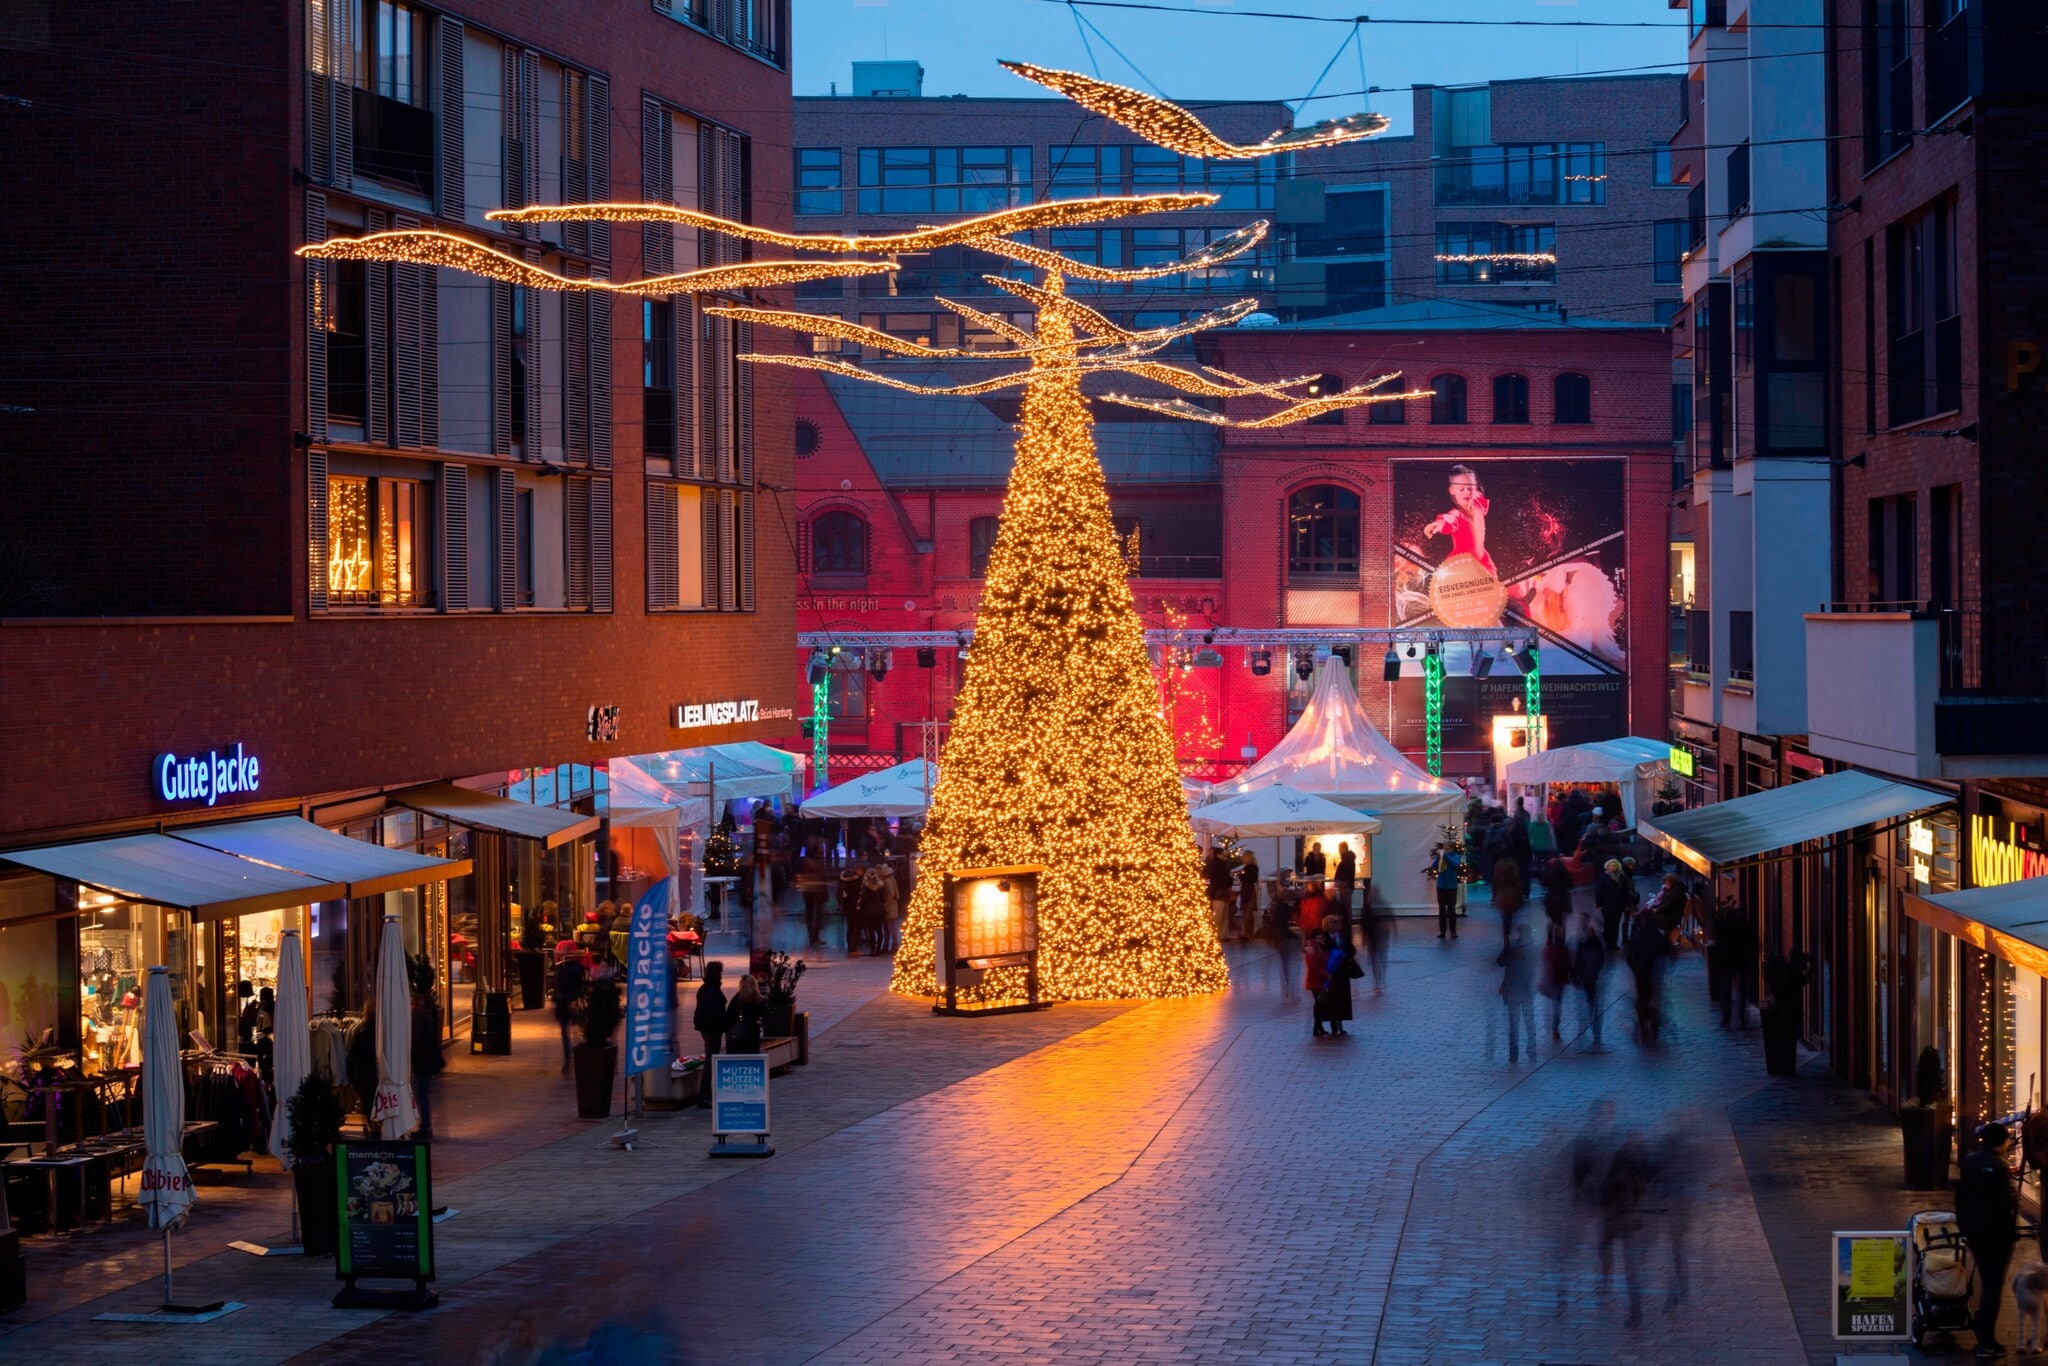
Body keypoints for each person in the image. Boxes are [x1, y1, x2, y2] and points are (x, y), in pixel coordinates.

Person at [1957, 1122, 2020, 1360]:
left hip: (1974, 1231)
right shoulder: (2000, 1167)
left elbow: (1960, 1196)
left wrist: (1964, 1225)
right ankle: (1986, 1341)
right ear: (2000, 1142)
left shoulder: (1970, 1161)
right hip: (1996, 1235)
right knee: (1993, 1287)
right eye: (2006, 1140)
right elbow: (2005, 1206)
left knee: (1987, 1281)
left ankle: (1982, 1329)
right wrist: (2010, 1234)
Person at [1423, 464, 1497, 576]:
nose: (1467, 492)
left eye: (1470, 488)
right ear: (1452, 490)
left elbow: (1478, 493)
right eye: (1461, 489)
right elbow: (1448, 519)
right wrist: (1439, 524)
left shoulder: (1477, 503)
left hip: (1482, 560)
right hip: (1462, 566)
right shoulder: (1457, 515)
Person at [1497, 925, 1537, 1063]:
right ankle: (1529, 1051)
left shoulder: (1524, 948)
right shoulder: (1528, 947)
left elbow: (1500, 962)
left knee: (1516, 1024)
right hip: (1522, 991)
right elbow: (1501, 962)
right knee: (1526, 1023)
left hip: (1517, 990)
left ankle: (1515, 1053)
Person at [409, 984, 443, 1140]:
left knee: (421, 1095)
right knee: (422, 1094)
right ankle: (425, 1125)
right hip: (426, 1062)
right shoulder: (428, 1016)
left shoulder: (417, 1018)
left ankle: (425, 1126)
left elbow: (418, 1042)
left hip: (420, 1063)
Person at [1570, 914, 1607, 1051]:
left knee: (1590, 1005)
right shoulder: (1590, 942)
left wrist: (1577, 973)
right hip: (1589, 978)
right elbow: (1600, 959)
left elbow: (1579, 960)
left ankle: (1590, 1030)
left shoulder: (1588, 942)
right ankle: (1593, 1032)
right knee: (1592, 1005)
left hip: (1589, 978)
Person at [1320, 915, 1362, 1037]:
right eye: (1333, 924)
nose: (1336, 927)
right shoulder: (1324, 937)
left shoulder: (1343, 936)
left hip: (1342, 971)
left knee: (1342, 998)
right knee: (1331, 998)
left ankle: (1340, 1025)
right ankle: (1333, 1026)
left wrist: (1345, 954)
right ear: (1327, 926)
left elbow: (1352, 950)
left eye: (1337, 924)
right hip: (1330, 971)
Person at [691, 962, 726, 1109]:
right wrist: (723, 1024)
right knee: (710, 1061)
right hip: (711, 1029)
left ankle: (706, 1093)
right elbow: (713, 1012)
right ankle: (704, 1095)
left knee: (710, 1060)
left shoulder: (706, 988)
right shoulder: (712, 990)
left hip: (707, 1028)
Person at [552, 940, 587, 1074]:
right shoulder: (574, 968)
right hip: (567, 1002)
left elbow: (559, 986)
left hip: (565, 1002)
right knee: (572, 1033)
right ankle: (572, 1059)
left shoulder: (563, 968)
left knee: (567, 1033)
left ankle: (570, 1060)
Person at [1538, 917, 1571, 1042]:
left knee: (1554, 1005)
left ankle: (1553, 1029)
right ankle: (1554, 1029)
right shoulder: (1561, 949)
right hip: (1557, 979)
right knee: (1556, 1005)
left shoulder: (1549, 949)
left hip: (1554, 979)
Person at [725, 972, 766, 1054]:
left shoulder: (738, 998)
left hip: (739, 1034)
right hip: (753, 1033)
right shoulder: (760, 1000)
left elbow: (729, 1015)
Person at [1596, 859, 1632, 951]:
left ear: (1617, 867)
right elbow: (1598, 892)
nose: (1612, 867)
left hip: (1618, 905)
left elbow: (1625, 891)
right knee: (1608, 925)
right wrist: (1599, 904)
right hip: (1606, 905)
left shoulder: (1621, 877)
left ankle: (1614, 943)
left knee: (1615, 924)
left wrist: (1626, 903)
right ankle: (1608, 943)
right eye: (1610, 866)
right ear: (1607, 867)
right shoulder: (1603, 877)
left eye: (1614, 865)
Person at [1430, 843, 1464, 940]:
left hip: (1451, 887)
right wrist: (1439, 857)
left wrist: (1446, 856)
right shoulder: (1441, 857)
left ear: (1452, 849)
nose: (1445, 850)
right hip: (1441, 887)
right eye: (1444, 849)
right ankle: (1442, 932)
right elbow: (1434, 866)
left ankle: (1453, 931)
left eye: (1447, 849)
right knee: (1441, 910)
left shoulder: (1456, 856)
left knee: (1451, 910)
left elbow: (1456, 865)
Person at [1492, 850, 1525, 946]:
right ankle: (1513, 931)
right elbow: (1517, 880)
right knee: (1513, 914)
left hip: (1502, 893)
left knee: (1505, 915)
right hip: (1513, 892)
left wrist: (1494, 895)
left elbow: (1495, 881)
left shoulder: (1498, 866)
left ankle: (1506, 934)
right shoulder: (1513, 866)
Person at [1303, 929, 1333, 1037]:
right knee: (1319, 1004)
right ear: (1314, 939)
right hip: (1315, 981)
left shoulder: (1319, 948)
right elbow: (1313, 966)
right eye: (1320, 938)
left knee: (1320, 1004)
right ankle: (1317, 1027)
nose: (1322, 940)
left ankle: (1319, 1027)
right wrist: (1326, 974)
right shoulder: (1313, 949)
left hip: (1320, 980)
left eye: (1323, 938)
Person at [1204, 848, 1236, 940]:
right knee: (1220, 914)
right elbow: (1223, 879)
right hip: (1219, 892)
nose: (1224, 855)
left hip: (1217, 892)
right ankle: (1219, 934)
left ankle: (1220, 934)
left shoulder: (1215, 864)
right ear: (1219, 854)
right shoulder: (1219, 865)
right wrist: (1229, 882)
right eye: (1223, 854)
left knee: (1221, 914)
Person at [1235, 849, 1261, 940]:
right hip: (1247, 889)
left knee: (1247, 912)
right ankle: (1249, 932)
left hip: (1248, 889)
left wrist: (1240, 875)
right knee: (1247, 912)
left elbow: (1250, 878)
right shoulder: (1250, 867)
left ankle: (1247, 932)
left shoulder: (1251, 867)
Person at [1333, 843, 1358, 930]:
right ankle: (1347, 925)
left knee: (1346, 907)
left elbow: (1346, 874)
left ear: (1343, 848)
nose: (1339, 851)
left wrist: (1342, 882)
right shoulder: (1349, 859)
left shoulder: (1347, 860)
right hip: (1346, 886)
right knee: (1346, 907)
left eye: (1339, 849)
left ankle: (1347, 926)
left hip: (1345, 887)